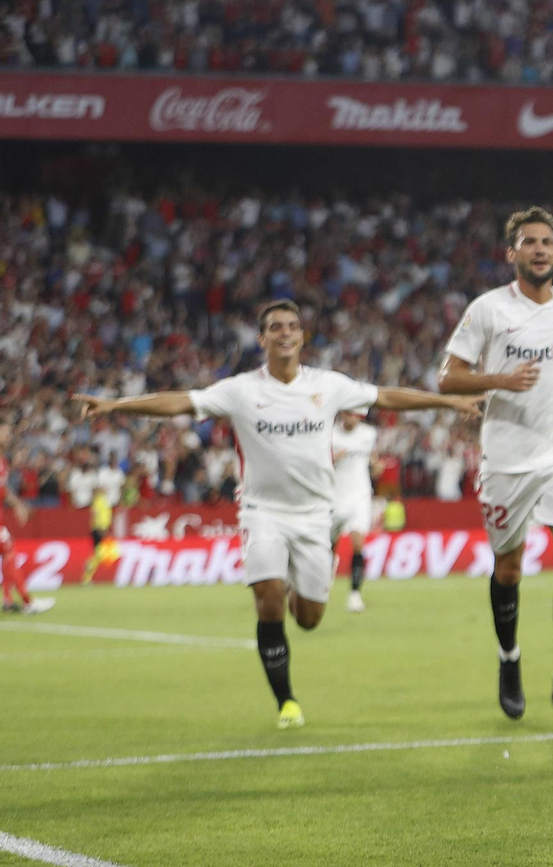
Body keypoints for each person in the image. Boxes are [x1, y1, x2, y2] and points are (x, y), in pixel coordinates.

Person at [74, 300, 480, 728]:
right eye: (275, 328)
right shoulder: (241, 390)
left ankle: (297, 582)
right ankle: (286, 701)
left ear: (302, 337)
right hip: (261, 512)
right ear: (262, 339)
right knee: (268, 599)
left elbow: (387, 396)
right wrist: (116, 405)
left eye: (292, 326)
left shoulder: (328, 385)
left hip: (314, 517)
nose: (284, 333)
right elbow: (179, 402)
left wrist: (447, 402)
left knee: (308, 619)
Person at [438, 206, 553, 727]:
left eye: (546, 242)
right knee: (510, 567)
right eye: (529, 242)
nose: (539, 249)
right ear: (511, 253)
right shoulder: (489, 310)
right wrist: (499, 380)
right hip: (507, 457)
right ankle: (510, 660)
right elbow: (449, 377)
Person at [0, 422, 55, 615]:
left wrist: (18, 505)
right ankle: (27, 602)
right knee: (9, 555)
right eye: (4, 432)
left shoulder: (3, 462)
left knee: (8, 555)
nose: (7, 436)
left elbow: (4, 491)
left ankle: (7, 600)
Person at [330, 409, 380, 613]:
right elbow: (317, 464)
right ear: (341, 415)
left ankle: (354, 594)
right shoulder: (330, 434)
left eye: (354, 414)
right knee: (328, 547)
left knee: (358, 542)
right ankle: (324, 578)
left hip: (359, 496)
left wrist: (376, 466)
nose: (350, 418)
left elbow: (373, 459)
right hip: (334, 497)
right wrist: (332, 458)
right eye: (347, 414)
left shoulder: (368, 434)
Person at [79, 485, 117, 584]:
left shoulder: (103, 500)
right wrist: (100, 528)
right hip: (99, 529)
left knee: (98, 553)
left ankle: (88, 573)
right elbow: (96, 515)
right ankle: (87, 575)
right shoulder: (98, 501)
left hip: (102, 528)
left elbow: (105, 516)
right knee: (98, 554)